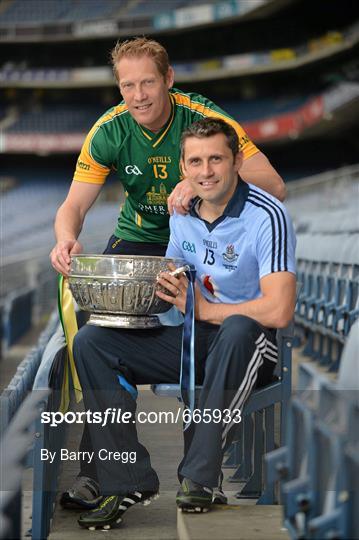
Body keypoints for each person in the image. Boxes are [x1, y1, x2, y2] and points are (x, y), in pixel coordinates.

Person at [50, 36, 286, 509]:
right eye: (127, 85)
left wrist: (195, 180)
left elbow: (273, 183)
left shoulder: (202, 121)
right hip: (141, 237)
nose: (138, 95)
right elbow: (74, 204)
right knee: (93, 331)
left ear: (169, 80)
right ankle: (100, 473)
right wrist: (65, 238)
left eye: (148, 83)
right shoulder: (109, 130)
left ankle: (193, 471)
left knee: (212, 327)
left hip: (200, 226)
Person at [71, 117, 296, 530]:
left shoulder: (268, 215)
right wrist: (123, 293)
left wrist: (207, 310)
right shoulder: (182, 215)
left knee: (236, 328)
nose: (205, 171)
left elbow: (280, 310)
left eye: (215, 159)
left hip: (253, 342)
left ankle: (200, 478)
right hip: (196, 338)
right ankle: (125, 480)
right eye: (195, 162)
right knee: (93, 342)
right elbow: (173, 284)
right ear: (183, 169)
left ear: (236, 162)